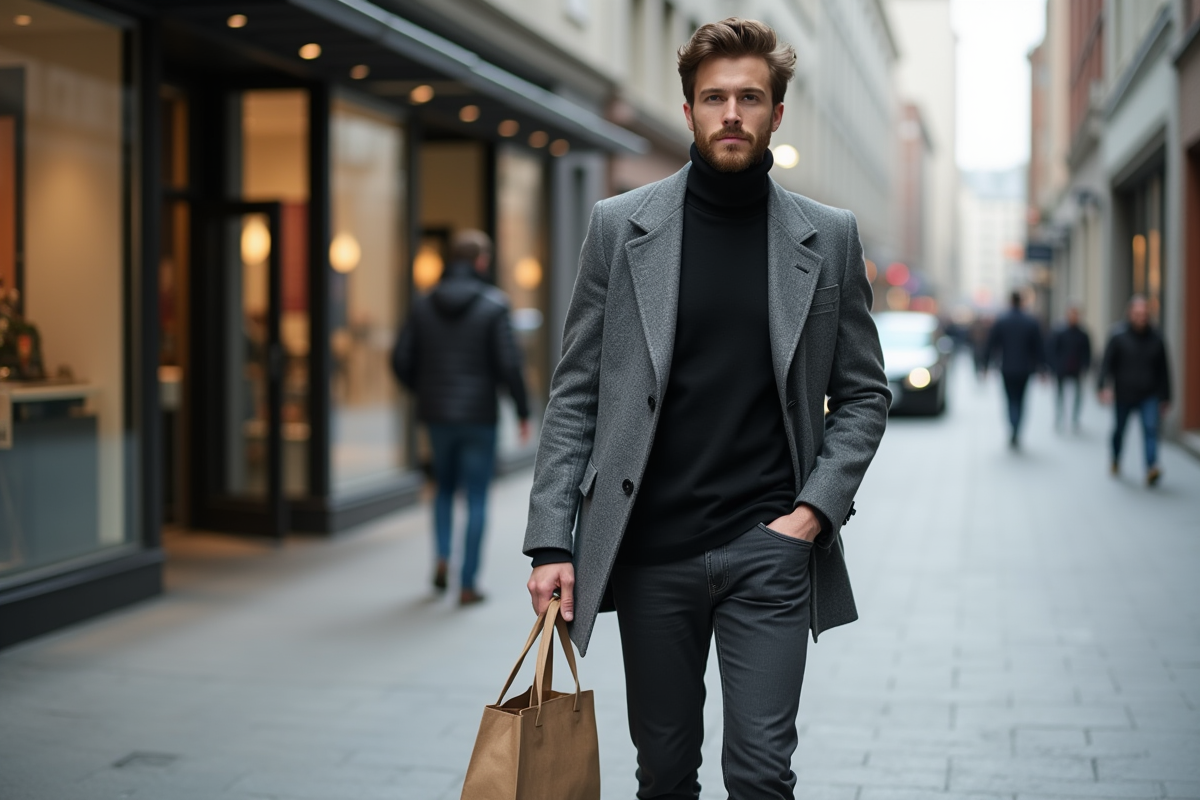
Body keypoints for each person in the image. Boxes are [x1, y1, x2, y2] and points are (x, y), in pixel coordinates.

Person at [523, 19, 889, 799]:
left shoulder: (827, 237)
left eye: (749, 97)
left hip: (770, 550)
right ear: (688, 107)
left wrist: (812, 514)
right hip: (652, 552)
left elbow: (864, 393)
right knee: (663, 774)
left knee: (761, 774)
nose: (732, 112)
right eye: (714, 96)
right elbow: (576, 392)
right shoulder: (621, 228)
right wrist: (550, 540)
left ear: (776, 114)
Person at [392, 229, 530, 606]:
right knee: (478, 498)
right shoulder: (494, 305)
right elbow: (509, 364)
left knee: (442, 490)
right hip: (479, 417)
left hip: (437, 416)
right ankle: (467, 583)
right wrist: (522, 410)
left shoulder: (423, 304)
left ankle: (440, 560)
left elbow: (400, 359)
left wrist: (424, 390)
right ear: (481, 261)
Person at [1098, 295, 1172, 486]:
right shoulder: (1117, 335)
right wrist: (1102, 387)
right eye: (1138, 313)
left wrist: (1166, 397)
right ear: (1130, 313)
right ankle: (1115, 458)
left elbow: (1164, 369)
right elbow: (1106, 364)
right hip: (1124, 393)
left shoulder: (1157, 338)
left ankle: (1151, 467)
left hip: (1150, 393)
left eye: (1145, 313)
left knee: (1150, 429)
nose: (1141, 317)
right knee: (1119, 430)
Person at [986, 290, 1045, 448]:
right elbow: (1039, 348)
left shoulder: (1002, 320)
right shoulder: (1031, 322)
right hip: (1025, 369)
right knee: (1021, 400)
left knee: (1010, 400)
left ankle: (1013, 426)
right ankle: (1016, 428)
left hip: (1007, 368)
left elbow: (991, 344)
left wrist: (984, 365)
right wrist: (1043, 369)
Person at [1047, 305, 1092, 431]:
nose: (1074, 317)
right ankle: (1059, 416)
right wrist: (1053, 366)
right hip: (1061, 368)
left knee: (1078, 395)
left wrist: (1085, 366)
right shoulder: (1059, 331)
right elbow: (1052, 349)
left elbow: (1087, 352)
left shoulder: (1083, 333)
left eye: (1076, 314)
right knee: (1059, 394)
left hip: (1076, 369)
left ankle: (1075, 418)